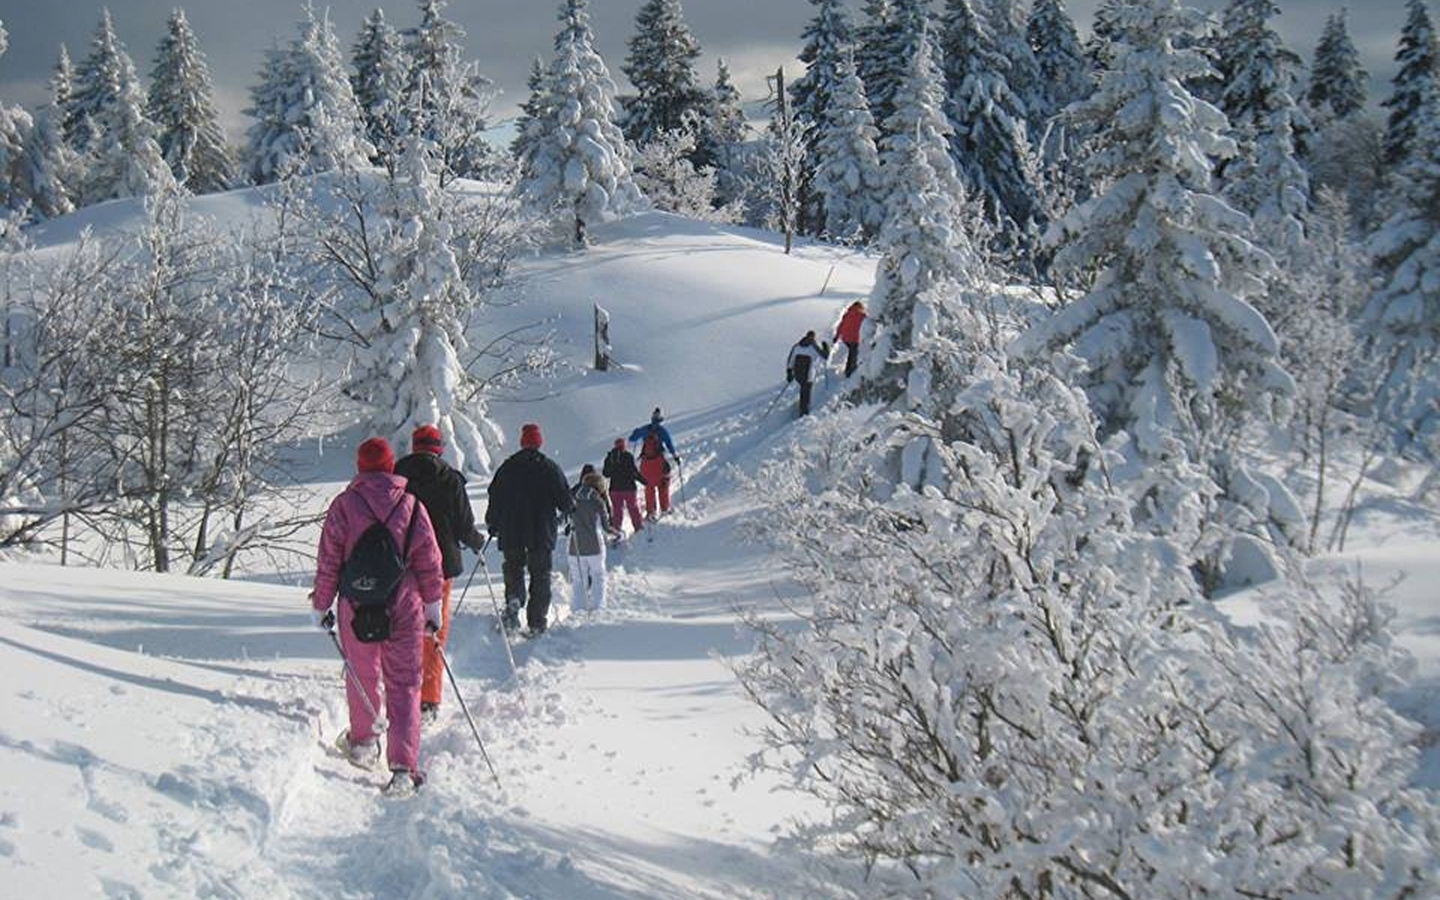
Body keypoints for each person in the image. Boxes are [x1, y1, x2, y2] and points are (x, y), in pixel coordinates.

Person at [310, 437, 445, 797]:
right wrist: (434, 607)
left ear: (359, 467)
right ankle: (403, 767)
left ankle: (364, 743)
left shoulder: (343, 505)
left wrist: (320, 604)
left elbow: (329, 562)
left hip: (356, 604)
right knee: (404, 683)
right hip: (404, 605)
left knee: (361, 674)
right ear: (390, 466)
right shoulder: (411, 505)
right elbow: (430, 562)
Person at [394, 424, 486, 726]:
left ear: (414, 445)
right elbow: (463, 524)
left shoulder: (397, 475)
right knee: (434, 629)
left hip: (402, 562)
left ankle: (401, 690)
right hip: (441, 564)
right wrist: (476, 542)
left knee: (403, 627)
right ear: (439, 447)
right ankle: (429, 697)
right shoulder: (449, 477)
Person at [485, 423, 574, 635]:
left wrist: (492, 522)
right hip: (541, 531)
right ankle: (536, 623)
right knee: (540, 574)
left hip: (511, 530)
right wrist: (569, 509)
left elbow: (494, 496)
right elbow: (565, 500)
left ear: (522, 442)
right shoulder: (550, 468)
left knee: (513, 568)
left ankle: (514, 601)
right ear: (539, 442)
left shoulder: (507, 467)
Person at [568, 464, 620, 613]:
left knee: (578, 581)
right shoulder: (598, 502)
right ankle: (598, 607)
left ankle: (578, 608)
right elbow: (606, 527)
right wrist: (618, 533)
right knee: (598, 576)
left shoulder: (573, 499)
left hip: (575, 546)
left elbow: (564, 519)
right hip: (594, 546)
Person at [628, 408, 679, 521]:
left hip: (645, 465)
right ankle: (665, 509)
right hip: (659, 463)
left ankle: (651, 512)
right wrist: (675, 456)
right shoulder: (662, 431)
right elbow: (670, 445)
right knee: (663, 485)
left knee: (649, 487)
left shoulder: (645, 429)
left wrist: (636, 432)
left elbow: (632, 439)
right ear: (660, 420)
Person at [602, 436, 646, 536]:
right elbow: (633, 472)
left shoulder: (609, 457)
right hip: (629, 488)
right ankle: (638, 527)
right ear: (624, 446)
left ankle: (616, 531)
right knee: (633, 508)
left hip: (615, 489)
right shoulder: (628, 456)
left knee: (617, 510)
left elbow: (605, 474)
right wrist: (644, 481)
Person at [786, 330, 830, 416]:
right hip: (808, 375)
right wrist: (826, 347)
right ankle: (804, 412)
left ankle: (802, 407)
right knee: (806, 392)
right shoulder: (813, 347)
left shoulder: (797, 346)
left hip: (798, 374)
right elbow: (825, 356)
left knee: (803, 388)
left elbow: (790, 360)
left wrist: (789, 373)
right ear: (813, 337)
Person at [834, 301, 866, 378]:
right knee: (853, 355)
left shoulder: (847, 314)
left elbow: (841, 326)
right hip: (855, 339)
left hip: (846, 339)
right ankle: (850, 372)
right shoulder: (862, 315)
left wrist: (836, 336)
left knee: (852, 353)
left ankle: (849, 370)